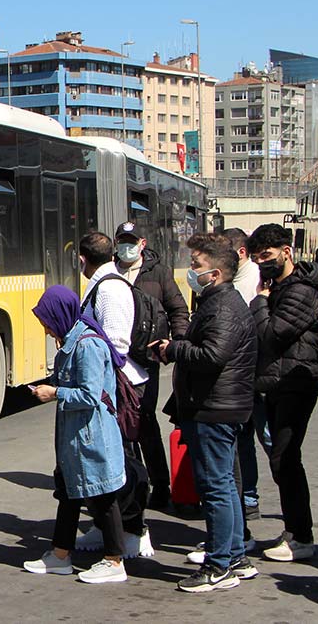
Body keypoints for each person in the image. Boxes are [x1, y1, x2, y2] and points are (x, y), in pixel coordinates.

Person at [153, 233, 258, 593]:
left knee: (215, 487)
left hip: (214, 408)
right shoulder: (217, 302)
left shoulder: (223, 306)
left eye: (196, 264)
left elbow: (212, 355)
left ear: (215, 274)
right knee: (223, 484)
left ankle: (218, 565)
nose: (190, 270)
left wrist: (174, 349)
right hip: (216, 406)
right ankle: (234, 556)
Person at [23, 285, 129, 584]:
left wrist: (55, 392)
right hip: (76, 437)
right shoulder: (72, 341)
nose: (46, 330)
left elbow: (90, 394)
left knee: (103, 496)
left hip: (91, 435)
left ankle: (114, 560)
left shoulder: (87, 345)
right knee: (69, 493)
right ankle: (60, 555)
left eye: (47, 323)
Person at [246, 224, 318, 562]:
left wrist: (260, 302)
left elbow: (273, 335)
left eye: (266, 255)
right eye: (256, 258)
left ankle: (301, 536)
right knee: (282, 459)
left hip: (295, 384)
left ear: (286, 252)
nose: (262, 263)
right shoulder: (279, 287)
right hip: (277, 383)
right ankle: (295, 531)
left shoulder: (300, 291)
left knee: (285, 458)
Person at [76, 231, 153, 556]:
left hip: (119, 388)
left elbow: (116, 345)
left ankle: (133, 529)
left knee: (124, 461)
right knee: (105, 462)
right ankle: (105, 525)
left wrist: (97, 382)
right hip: (111, 387)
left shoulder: (109, 289)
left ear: (82, 259)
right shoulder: (104, 284)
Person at [113, 221, 189, 509]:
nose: (126, 247)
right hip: (118, 360)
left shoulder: (157, 273)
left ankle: (159, 484)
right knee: (121, 423)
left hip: (147, 359)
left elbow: (178, 310)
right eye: (122, 241)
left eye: (131, 241)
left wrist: (176, 344)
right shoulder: (110, 272)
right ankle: (131, 483)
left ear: (142, 244)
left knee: (144, 420)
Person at [221, 227, 268, 521]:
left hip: (256, 376)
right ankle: (247, 498)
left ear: (240, 252)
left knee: (270, 440)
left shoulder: (257, 279)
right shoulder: (232, 278)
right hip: (238, 377)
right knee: (243, 442)